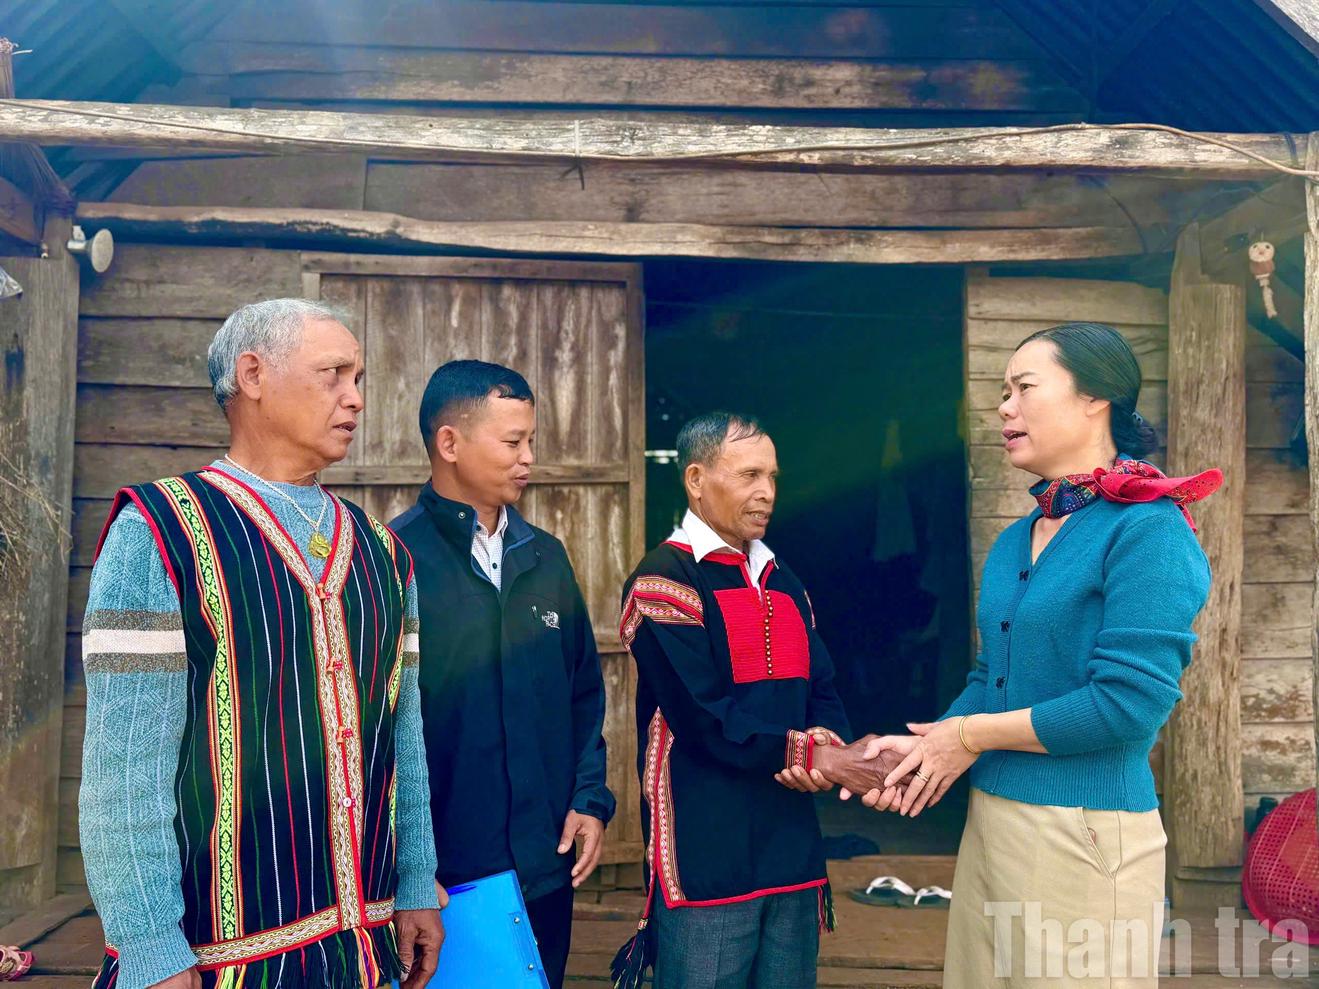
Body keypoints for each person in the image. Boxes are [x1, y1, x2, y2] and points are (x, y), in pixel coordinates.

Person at [79, 299, 443, 989]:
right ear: (252, 375)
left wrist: (417, 880)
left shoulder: (384, 553)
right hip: (219, 958)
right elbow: (123, 771)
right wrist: (149, 945)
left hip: (363, 947)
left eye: (359, 378)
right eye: (334, 373)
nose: (356, 398)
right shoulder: (158, 533)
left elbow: (404, 735)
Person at [857, 322, 1219, 987]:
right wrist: (927, 745)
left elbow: (1127, 706)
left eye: (1024, 387)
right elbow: (991, 677)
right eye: (1003, 392)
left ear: (1095, 397)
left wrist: (969, 736)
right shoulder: (1013, 541)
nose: (1004, 407)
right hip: (991, 825)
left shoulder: (1148, 530)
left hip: (1086, 835)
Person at [612, 411, 905, 989]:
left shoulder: (783, 578)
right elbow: (704, 719)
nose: (766, 491)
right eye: (748, 475)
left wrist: (823, 744)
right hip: (706, 848)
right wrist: (819, 759)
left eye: (772, 476)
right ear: (696, 480)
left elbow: (822, 687)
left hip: (790, 844)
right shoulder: (664, 581)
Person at [390, 360, 613, 989]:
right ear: (450, 443)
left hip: (545, 866)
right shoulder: (393, 560)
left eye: (531, 440)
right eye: (513, 442)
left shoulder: (544, 557)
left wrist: (588, 800)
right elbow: (372, 733)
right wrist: (408, 871)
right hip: (445, 879)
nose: (528, 458)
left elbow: (582, 696)